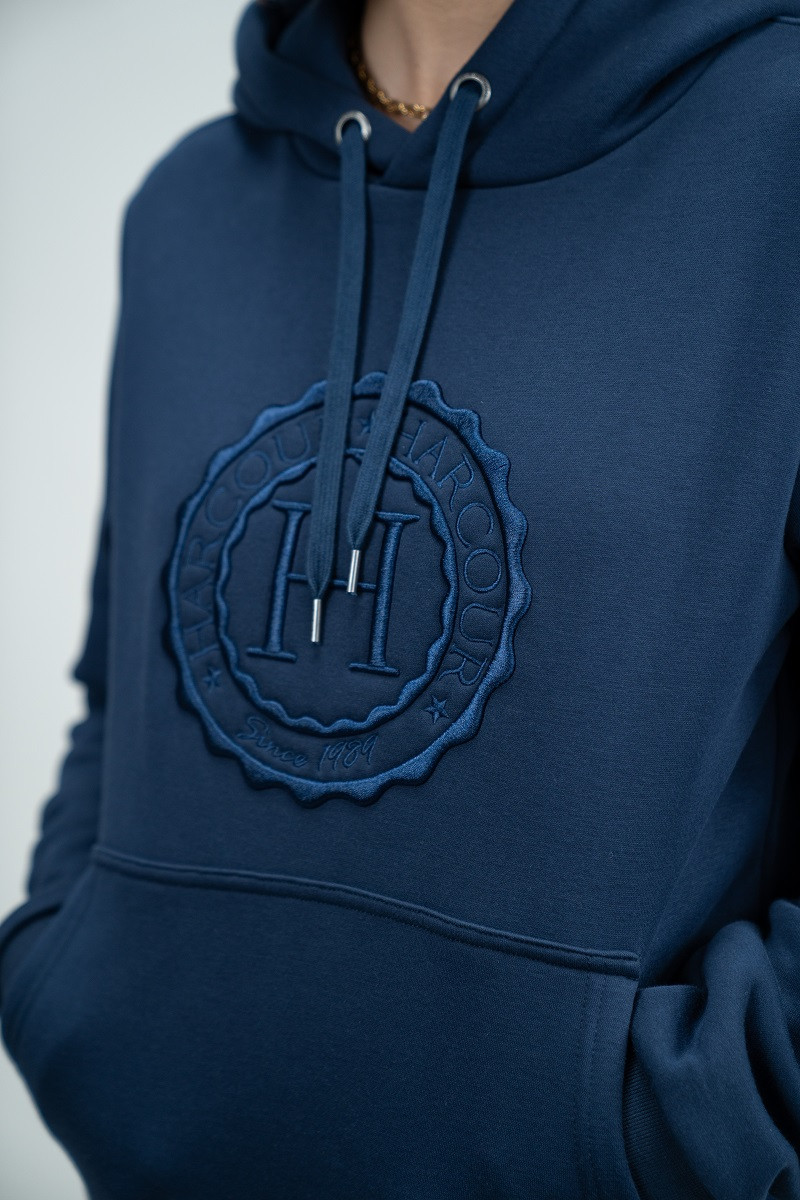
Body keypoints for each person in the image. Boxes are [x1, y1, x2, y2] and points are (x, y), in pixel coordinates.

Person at [1, 0, 800, 1195]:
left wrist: (675, 1130)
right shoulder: (186, 206)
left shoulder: (774, 152)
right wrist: (69, 990)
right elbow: (122, 685)